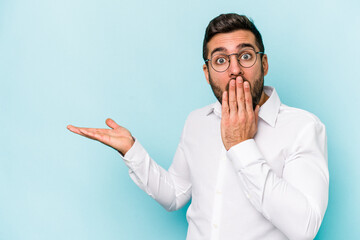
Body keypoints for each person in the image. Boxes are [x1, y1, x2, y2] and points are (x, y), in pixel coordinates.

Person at [67, 13, 329, 240]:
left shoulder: (303, 128)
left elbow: (304, 227)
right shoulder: (197, 122)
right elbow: (175, 195)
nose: (235, 69)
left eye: (246, 55)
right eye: (221, 60)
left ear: (264, 64)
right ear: (207, 73)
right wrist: (132, 151)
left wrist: (241, 145)